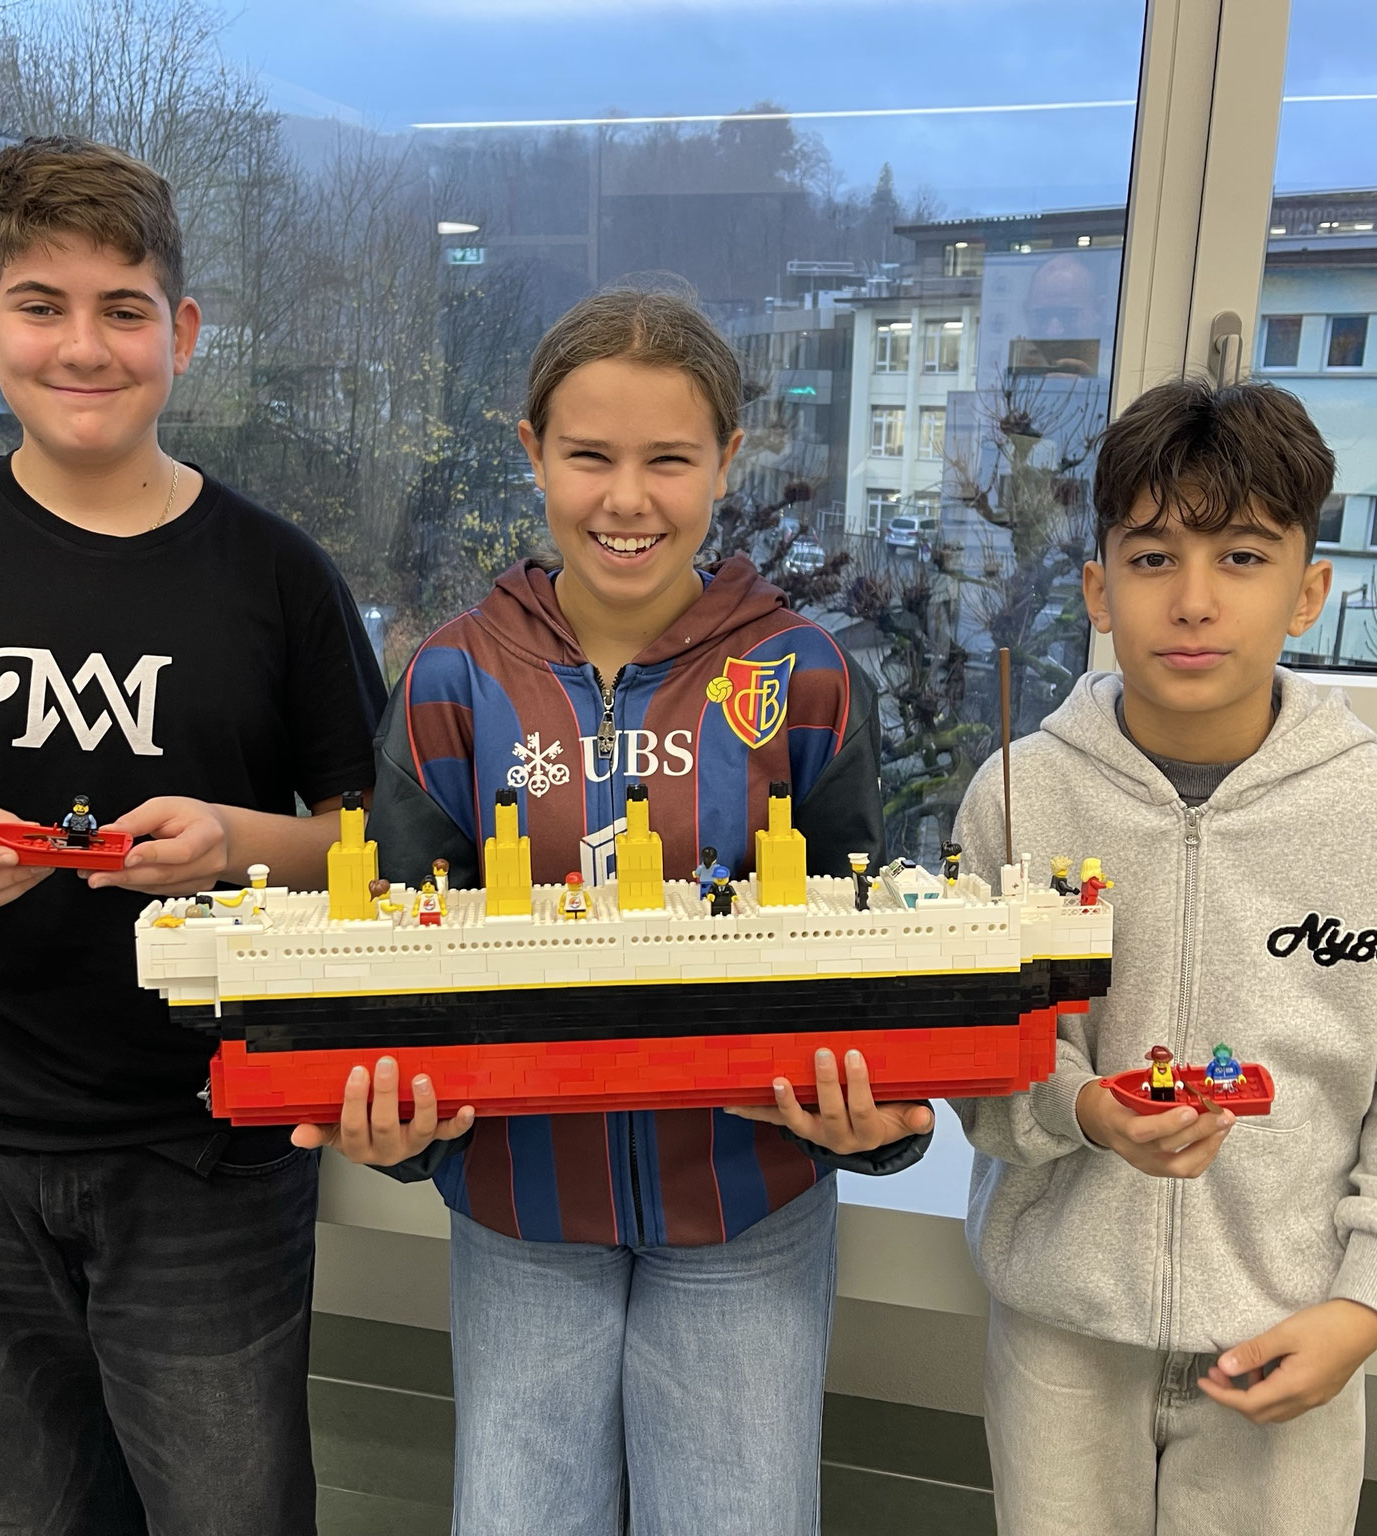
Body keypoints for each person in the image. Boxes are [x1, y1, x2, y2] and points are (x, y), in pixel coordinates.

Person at [0, 135, 386, 1535]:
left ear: (184, 332)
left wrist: (232, 839)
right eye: (41, 305)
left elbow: (367, 844)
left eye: (124, 309)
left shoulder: (278, 575)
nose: (84, 346)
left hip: (210, 1133)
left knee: (233, 1509)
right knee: (33, 1508)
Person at [299, 287, 934, 1534]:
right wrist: (397, 1130)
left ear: (727, 461)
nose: (626, 499)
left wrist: (881, 1126)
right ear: (531, 451)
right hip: (519, 1207)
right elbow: (394, 951)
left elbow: (868, 947)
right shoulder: (450, 680)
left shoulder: (802, 676)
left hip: (749, 1202)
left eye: (668, 460)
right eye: (588, 455)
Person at [950, 378, 1377, 1536]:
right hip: (1060, 1340)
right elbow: (977, 1050)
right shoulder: (1017, 796)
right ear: (1097, 590)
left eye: (1241, 557)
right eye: (1151, 557)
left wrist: (1365, 1301)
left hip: (1292, 1335)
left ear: (1306, 591)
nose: (1192, 600)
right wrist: (1081, 1109)